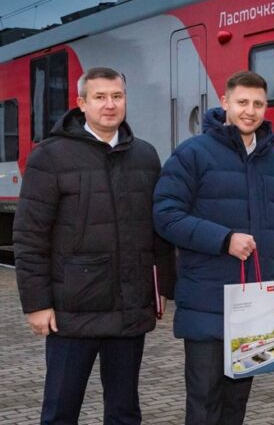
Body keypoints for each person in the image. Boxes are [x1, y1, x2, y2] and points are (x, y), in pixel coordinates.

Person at [13, 66, 175, 425]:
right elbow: (29, 235)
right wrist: (37, 304)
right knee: (60, 411)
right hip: (72, 313)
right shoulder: (50, 157)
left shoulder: (146, 156)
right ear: (81, 103)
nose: (110, 105)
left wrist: (160, 285)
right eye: (100, 97)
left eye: (117, 96)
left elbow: (158, 232)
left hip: (130, 308)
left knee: (124, 411)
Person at [152, 70, 274, 425]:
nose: (250, 111)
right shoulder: (192, 154)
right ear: (225, 103)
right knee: (204, 402)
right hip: (207, 300)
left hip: (254, 305)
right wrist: (224, 238)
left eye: (258, 104)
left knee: (236, 405)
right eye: (242, 102)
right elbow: (165, 215)